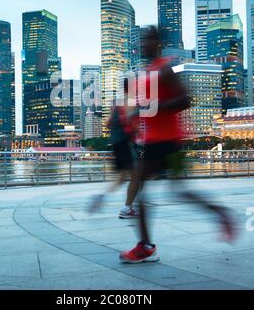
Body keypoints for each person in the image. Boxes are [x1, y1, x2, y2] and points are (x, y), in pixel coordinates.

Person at [120, 25, 237, 263]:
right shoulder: (149, 71)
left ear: (158, 43)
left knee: (173, 192)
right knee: (166, 192)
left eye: (149, 39)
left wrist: (150, 109)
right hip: (154, 142)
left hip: (168, 142)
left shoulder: (163, 69)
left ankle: (146, 246)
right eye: (142, 40)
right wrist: (139, 114)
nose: (144, 44)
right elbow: (151, 106)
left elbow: (185, 100)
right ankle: (147, 245)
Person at [88, 79, 140, 219]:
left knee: (122, 178)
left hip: (115, 144)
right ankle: (127, 208)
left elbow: (107, 124)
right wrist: (137, 132)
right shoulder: (130, 103)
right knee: (136, 177)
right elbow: (133, 125)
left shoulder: (117, 104)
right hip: (126, 143)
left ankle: (101, 196)